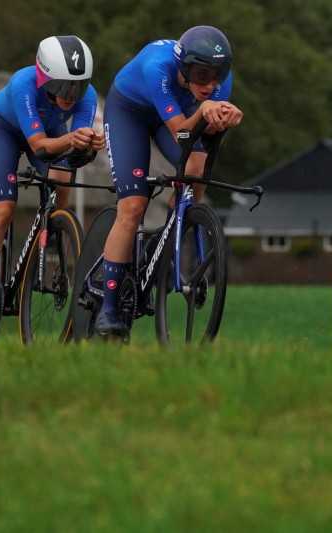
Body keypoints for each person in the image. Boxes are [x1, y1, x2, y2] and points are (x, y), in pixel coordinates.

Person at [93, 25, 244, 337]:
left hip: (178, 113)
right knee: (133, 206)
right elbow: (182, 133)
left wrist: (222, 119)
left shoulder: (218, 81)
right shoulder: (158, 67)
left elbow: (204, 137)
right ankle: (107, 306)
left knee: (197, 163)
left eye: (218, 74)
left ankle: (179, 217)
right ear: (184, 68)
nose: (211, 83)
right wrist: (204, 110)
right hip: (130, 113)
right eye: (202, 75)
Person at [0, 35, 106, 340]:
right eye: (62, 87)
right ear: (44, 77)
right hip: (4, 129)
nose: (70, 96)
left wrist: (91, 145)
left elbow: (77, 152)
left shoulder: (88, 95)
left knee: (62, 177)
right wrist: (74, 139)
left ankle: (53, 228)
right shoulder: (23, 84)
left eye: (76, 87)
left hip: (49, 133)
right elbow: (40, 146)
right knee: (3, 209)